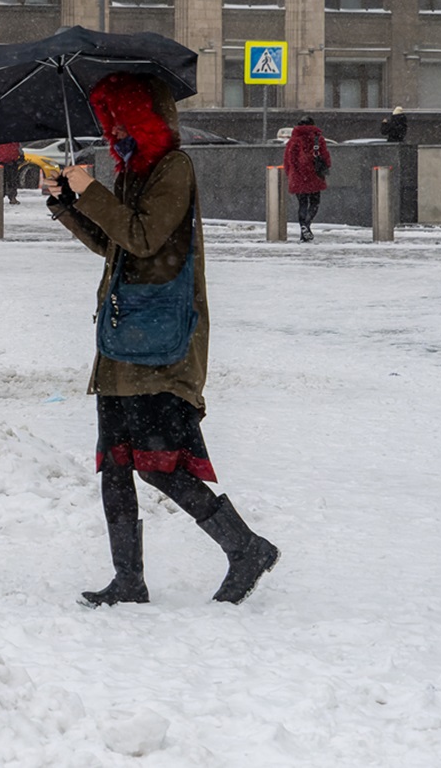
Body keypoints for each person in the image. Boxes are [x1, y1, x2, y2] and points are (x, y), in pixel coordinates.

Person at [44, 72, 279, 607]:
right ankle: (129, 579)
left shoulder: (174, 168)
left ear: (145, 120)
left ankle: (246, 548)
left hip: (163, 339)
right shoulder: (132, 172)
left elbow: (146, 238)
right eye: (110, 123)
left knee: (158, 462)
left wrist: (92, 191)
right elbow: (115, 243)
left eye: (123, 120)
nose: (115, 131)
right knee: (116, 464)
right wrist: (66, 203)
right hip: (125, 337)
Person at [283, 116, 331, 243]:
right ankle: (307, 224)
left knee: (302, 204)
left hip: (298, 176)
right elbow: (326, 157)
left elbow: (288, 161)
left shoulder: (293, 141)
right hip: (314, 175)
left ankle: (303, 228)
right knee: (314, 203)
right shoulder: (318, 139)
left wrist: (291, 174)